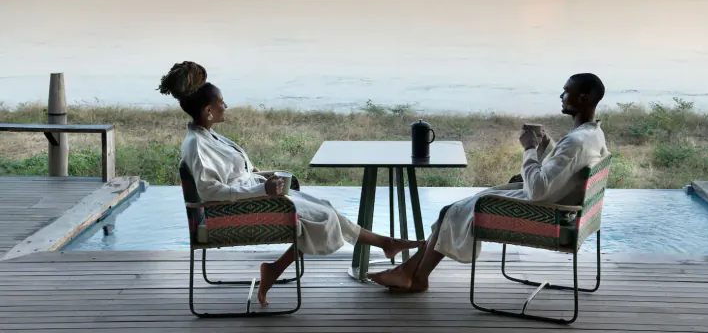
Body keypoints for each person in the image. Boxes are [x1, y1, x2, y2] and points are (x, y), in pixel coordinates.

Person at [157, 61, 422, 306]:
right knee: (318, 217)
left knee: (323, 207)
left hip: (252, 197)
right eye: (221, 103)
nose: (226, 106)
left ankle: (384, 242)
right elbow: (209, 191)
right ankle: (278, 268)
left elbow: (232, 174)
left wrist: (261, 176)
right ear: (208, 111)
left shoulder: (208, 136)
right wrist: (262, 189)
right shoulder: (196, 146)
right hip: (232, 211)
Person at [368, 73, 611, 292]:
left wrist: (529, 149)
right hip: (564, 208)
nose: (562, 95)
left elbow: (537, 190)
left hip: (547, 215)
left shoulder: (577, 141)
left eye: (567, 91)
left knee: (452, 212)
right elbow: (566, 166)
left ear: (583, 97)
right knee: (449, 212)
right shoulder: (591, 134)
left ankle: (414, 276)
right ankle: (412, 274)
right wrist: (546, 146)